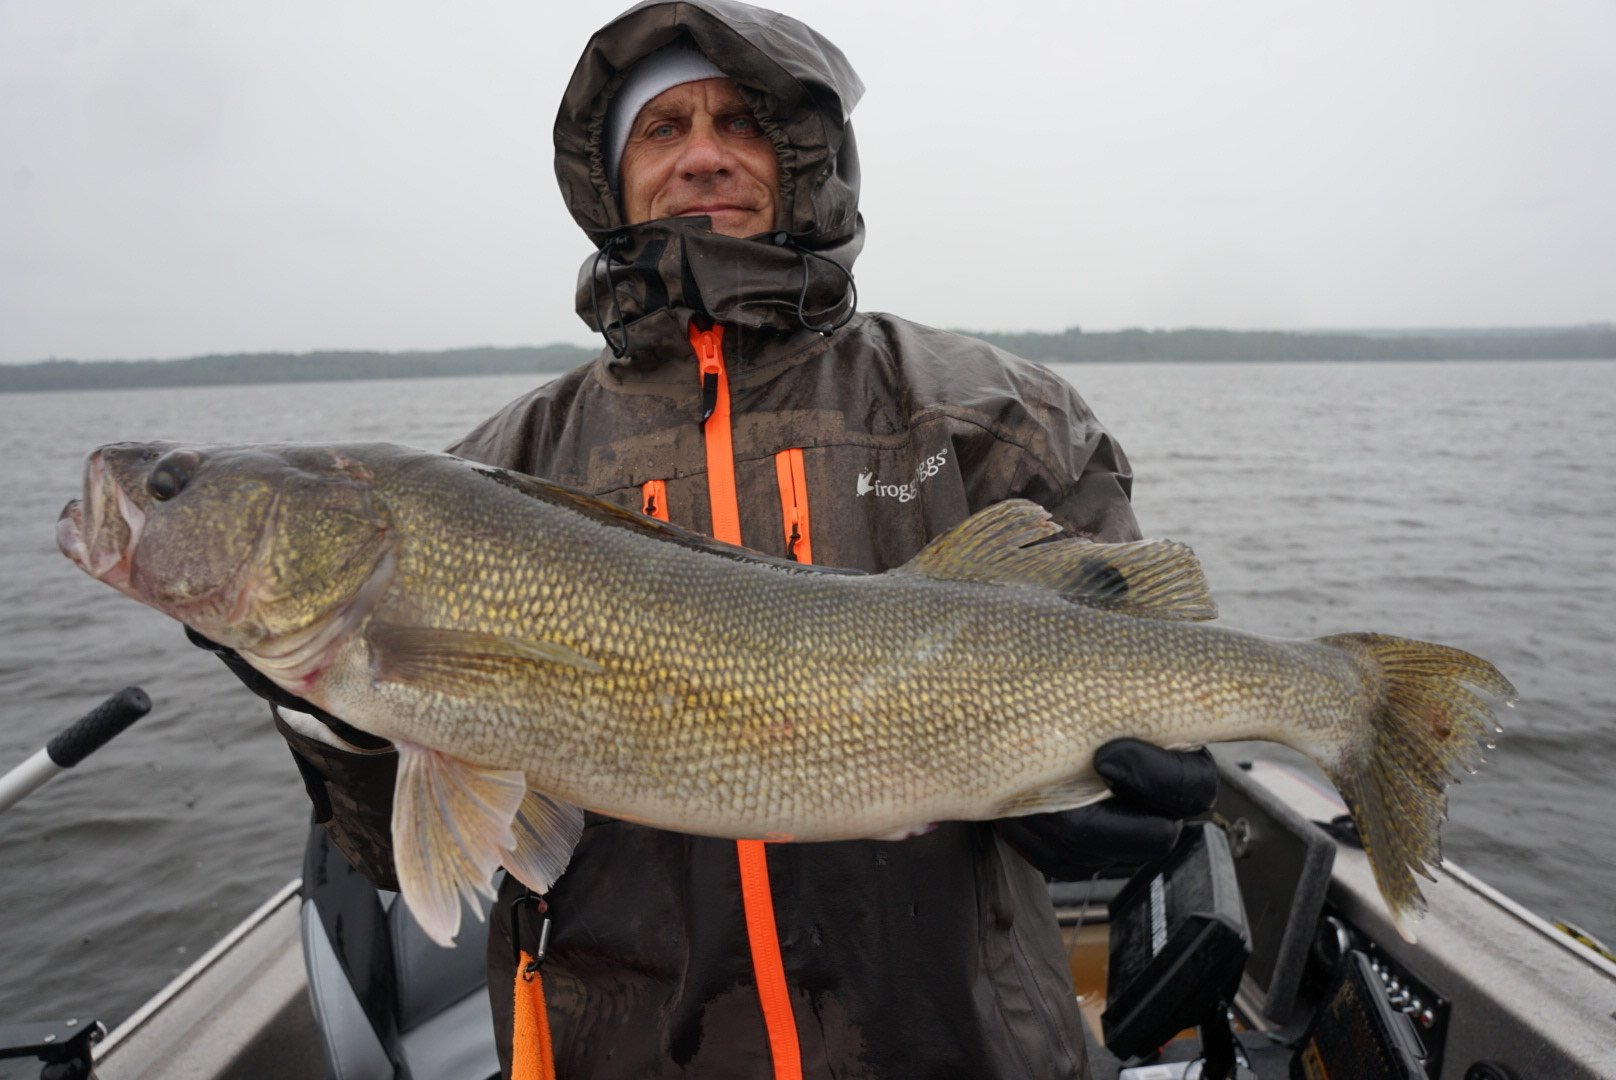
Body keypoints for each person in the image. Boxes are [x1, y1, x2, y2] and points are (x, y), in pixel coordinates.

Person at [209, 2, 1219, 1077]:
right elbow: (382, 849)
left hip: (955, 1044)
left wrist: (1149, 786)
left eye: (739, 123)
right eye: (661, 129)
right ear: (613, 176)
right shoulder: (501, 467)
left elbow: (1138, 641)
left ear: (804, 161)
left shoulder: (988, 414)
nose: (700, 156)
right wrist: (318, 708)